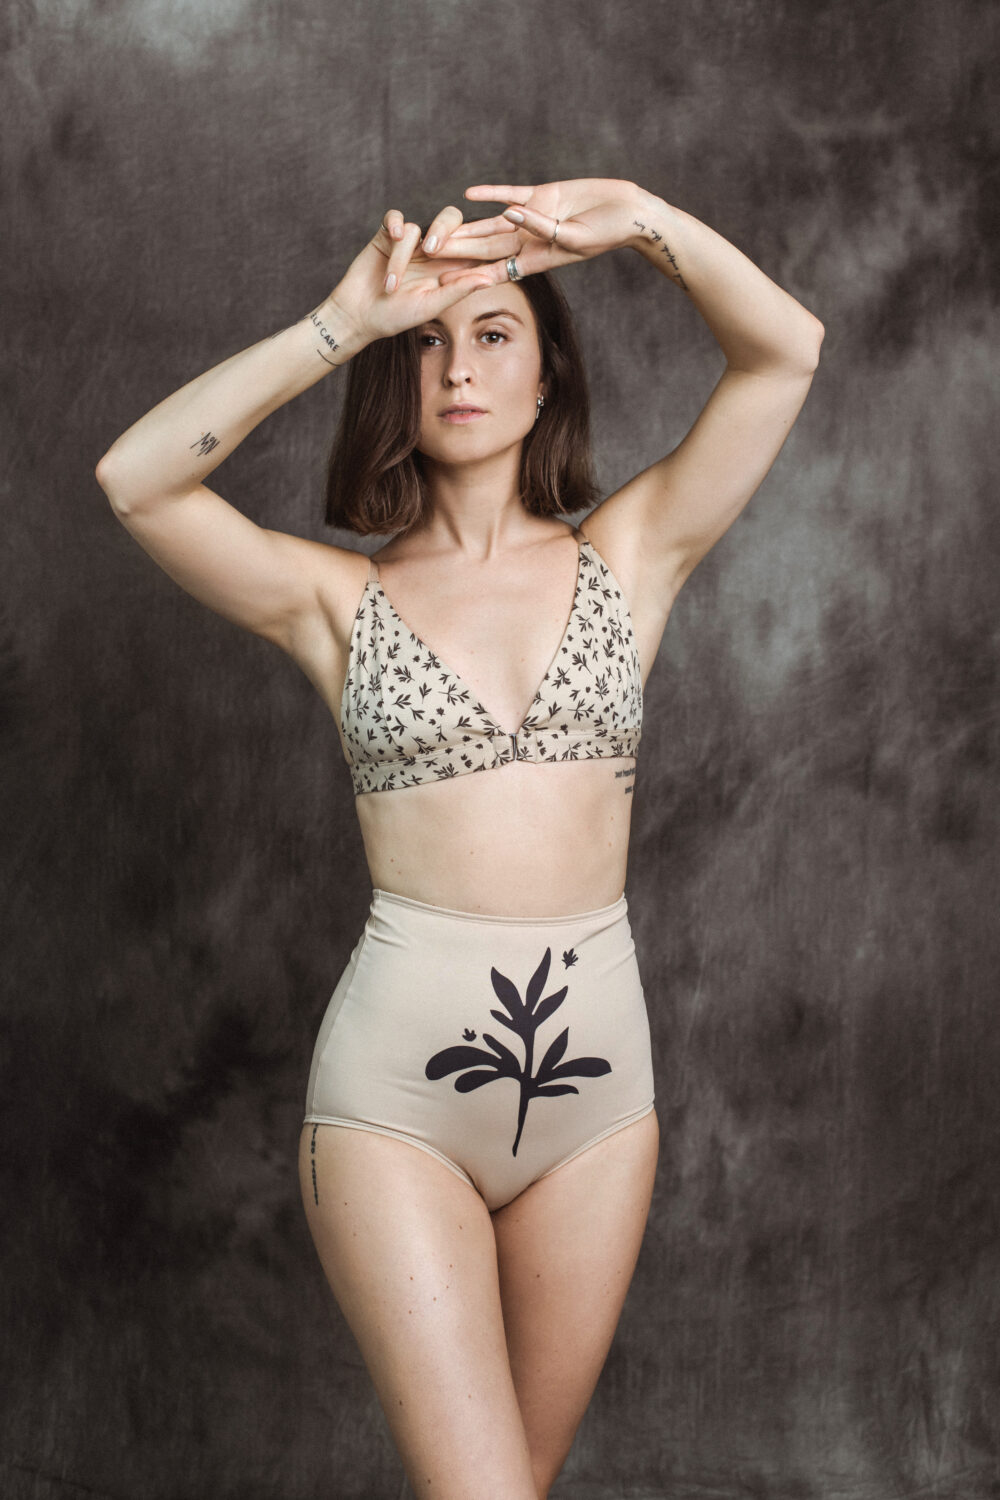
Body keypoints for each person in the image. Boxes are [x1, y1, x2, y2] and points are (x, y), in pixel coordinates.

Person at [95, 175, 824, 1498]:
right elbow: (135, 483)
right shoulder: (336, 600)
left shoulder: (631, 558)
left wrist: (639, 220)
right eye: (428, 341)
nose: (458, 366)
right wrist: (341, 324)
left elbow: (787, 350)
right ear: (396, 378)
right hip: (396, 1113)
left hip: (600, 1117)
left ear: (550, 379)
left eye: (495, 334)